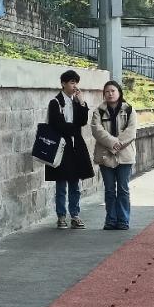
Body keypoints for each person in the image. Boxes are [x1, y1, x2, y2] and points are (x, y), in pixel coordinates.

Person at [47, 70, 95, 229]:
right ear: (63, 84)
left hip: (75, 147)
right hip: (61, 147)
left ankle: (75, 215)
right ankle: (61, 216)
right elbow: (57, 125)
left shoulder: (76, 102)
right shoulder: (55, 102)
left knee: (75, 183)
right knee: (61, 184)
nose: (75, 86)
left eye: (76, 83)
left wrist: (82, 103)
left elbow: (82, 121)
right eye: (72, 82)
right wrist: (72, 128)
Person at [91, 80, 138, 231]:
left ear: (119, 92)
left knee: (123, 189)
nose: (110, 94)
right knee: (110, 190)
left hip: (125, 156)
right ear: (103, 94)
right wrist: (113, 143)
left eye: (113, 91)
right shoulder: (98, 111)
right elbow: (96, 130)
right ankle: (111, 220)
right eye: (107, 91)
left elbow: (131, 131)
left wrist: (118, 144)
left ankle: (123, 220)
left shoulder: (129, 110)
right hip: (105, 155)